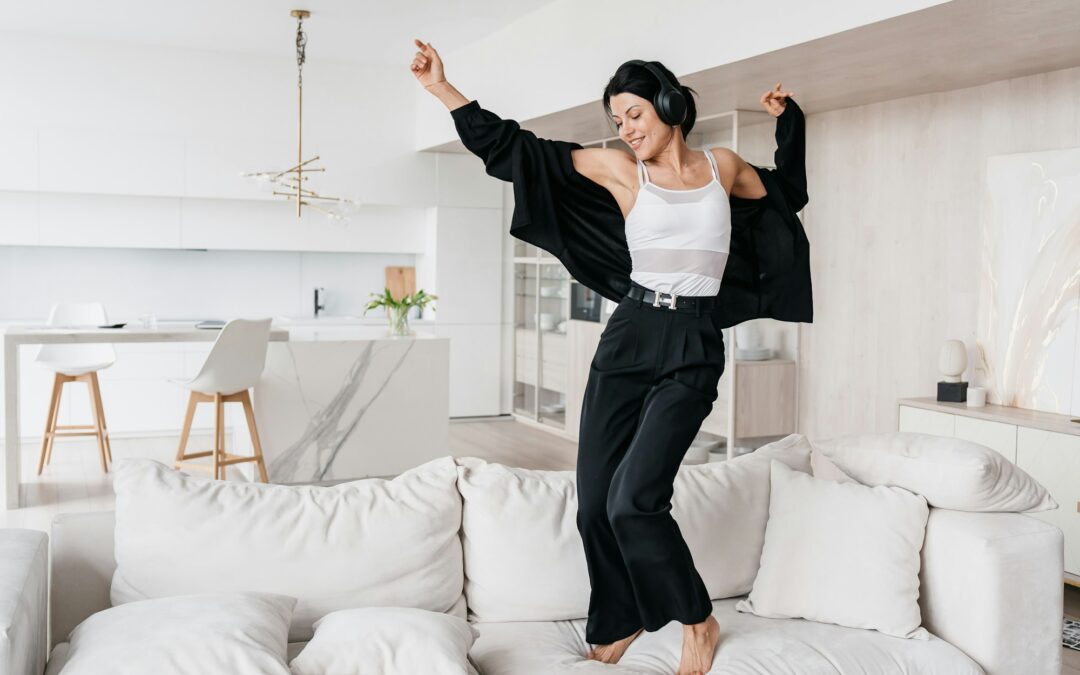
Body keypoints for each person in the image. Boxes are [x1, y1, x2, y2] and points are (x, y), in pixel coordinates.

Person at [411, 38, 810, 675]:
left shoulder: (723, 167)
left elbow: (785, 194)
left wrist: (790, 122)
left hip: (694, 346)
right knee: (595, 502)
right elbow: (518, 152)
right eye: (616, 120)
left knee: (634, 501)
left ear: (667, 104)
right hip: (628, 337)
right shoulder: (622, 171)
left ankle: (696, 618)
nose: (624, 129)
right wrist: (441, 89)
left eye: (633, 113)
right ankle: (620, 615)